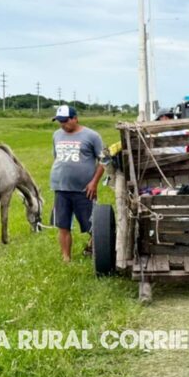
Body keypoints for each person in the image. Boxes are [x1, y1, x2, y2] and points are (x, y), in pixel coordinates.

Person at [49, 105, 104, 263]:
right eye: (59, 121)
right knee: (63, 225)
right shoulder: (56, 135)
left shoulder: (92, 136)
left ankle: (96, 247)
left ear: (75, 118)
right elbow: (56, 157)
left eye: (65, 121)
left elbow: (104, 160)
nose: (62, 125)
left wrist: (94, 183)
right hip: (60, 187)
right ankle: (66, 257)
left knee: (92, 224)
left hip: (84, 189)